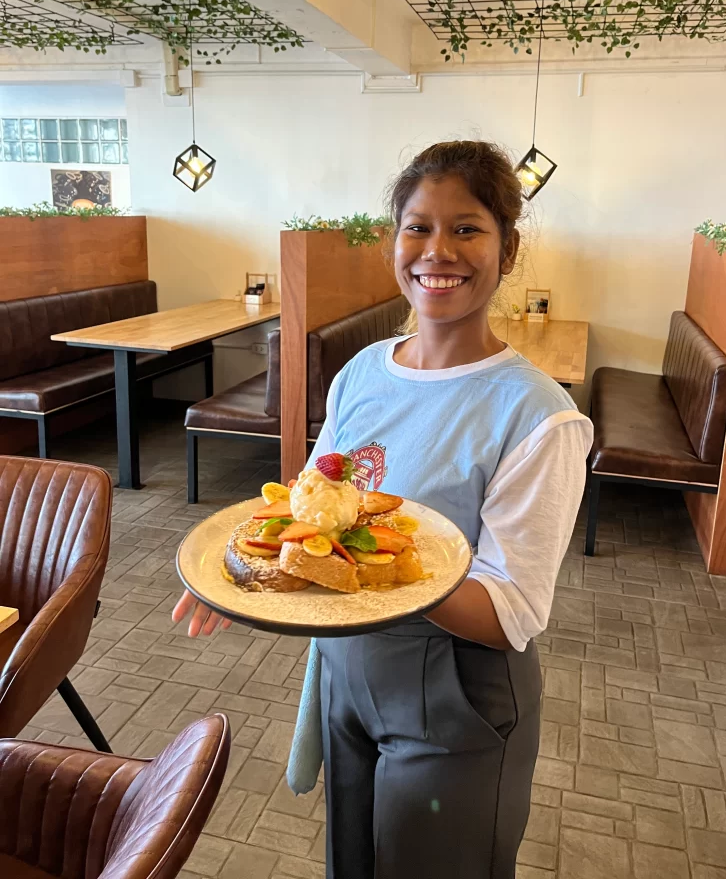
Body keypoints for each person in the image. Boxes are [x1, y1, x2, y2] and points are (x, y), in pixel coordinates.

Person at [173, 140, 593, 878]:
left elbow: (511, 611)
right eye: (417, 227)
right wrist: (239, 565)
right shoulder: (363, 370)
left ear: (507, 247)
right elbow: (309, 505)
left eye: (467, 229)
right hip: (348, 674)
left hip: (457, 693)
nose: (439, 251)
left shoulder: (538, 416)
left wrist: (374, 569)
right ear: (393, 239)